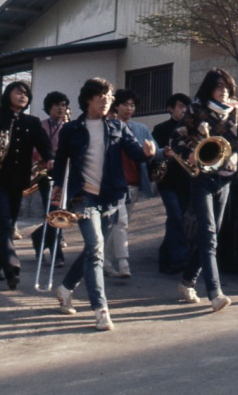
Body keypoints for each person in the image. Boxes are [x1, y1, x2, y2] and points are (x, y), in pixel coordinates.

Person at [50, 78, 156, 331]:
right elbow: (61, 161)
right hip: (83, 197)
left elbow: (133, 151)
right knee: (96, 247)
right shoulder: (72, 129)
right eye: (102, 97)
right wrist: (56, 190)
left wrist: (148, 153)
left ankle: (65, 289)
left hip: (112, 196)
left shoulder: (117, 126)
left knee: (92, 251)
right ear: (89, 100)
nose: (107, 101)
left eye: (109, 97)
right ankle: (100, 310)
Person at [173, 69, 238, 312]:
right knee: (208, 234)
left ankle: (187, 282)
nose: (223, 90)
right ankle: (215, 293)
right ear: (209, 88)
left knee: (212, 233)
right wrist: (189, 154)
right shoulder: (196, 109)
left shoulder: (235, 111)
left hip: (226, 177)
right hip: (202, 178)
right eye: (218, 86)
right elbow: (177, 137)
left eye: (226, 86)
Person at [0, 81, 52, 289]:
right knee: (5, 224)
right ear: (8, 95)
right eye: (18, 92)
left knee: (7, 226)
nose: (23, 96)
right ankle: (11, 267)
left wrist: (50, 159)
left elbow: (44, 145)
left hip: (20, 181)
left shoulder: (32, 122)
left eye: (26, 94)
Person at [103, 88, 156, 279]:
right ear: (115, 105)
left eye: (132, 105)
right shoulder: (108, 127)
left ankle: (105, 261)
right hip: (116, 184)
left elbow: (154, 151)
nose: (129, 108)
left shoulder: (141, 129)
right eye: (125, 104)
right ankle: (124, 263)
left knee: (117, 225)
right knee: (121, 223)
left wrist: (159, 152)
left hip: (134, 182)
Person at [151, 93, 192, 274]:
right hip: (167, 181)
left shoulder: (192, 129)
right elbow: (153, 153)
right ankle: (178, 259)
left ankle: (165, 256)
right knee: (176, 217)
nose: (184, 111)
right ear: (170, 109)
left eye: (186, 107)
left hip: (187, 180)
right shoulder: (160, 129)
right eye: (180, 107)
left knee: (179, 219)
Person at [31, 91, 70, 267]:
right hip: (45, 174)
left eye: (63, 105)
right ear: (49, 108)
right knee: (54, 210)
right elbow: (33, 150)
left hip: (66, 174)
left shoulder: (70, 127)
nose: (61, 108)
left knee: (62, 211)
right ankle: (56, 252)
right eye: (57, 105)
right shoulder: (41, 126)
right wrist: (45, 159)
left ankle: (38, 237)